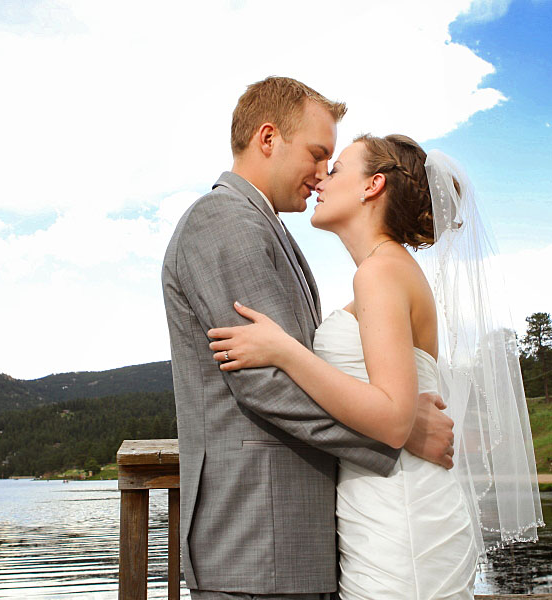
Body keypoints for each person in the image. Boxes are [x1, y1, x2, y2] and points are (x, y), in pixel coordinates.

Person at [207, 134, 543, 598]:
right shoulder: (386, 271)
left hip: (402, 518)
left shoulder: (380, 273)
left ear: (373, 186)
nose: (323, 177)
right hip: (386, 507)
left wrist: (284, 351)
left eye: (339, 167)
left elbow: (391, 417)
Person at [161, 77, 456, 599]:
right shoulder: (223, 220)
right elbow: (266, 382)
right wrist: (400, 430)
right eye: (319, 154)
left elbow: (293, 362)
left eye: (333, 163)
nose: (322, 174)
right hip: (257, 542)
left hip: (303, 542)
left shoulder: (280, 233)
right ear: (268, 138)